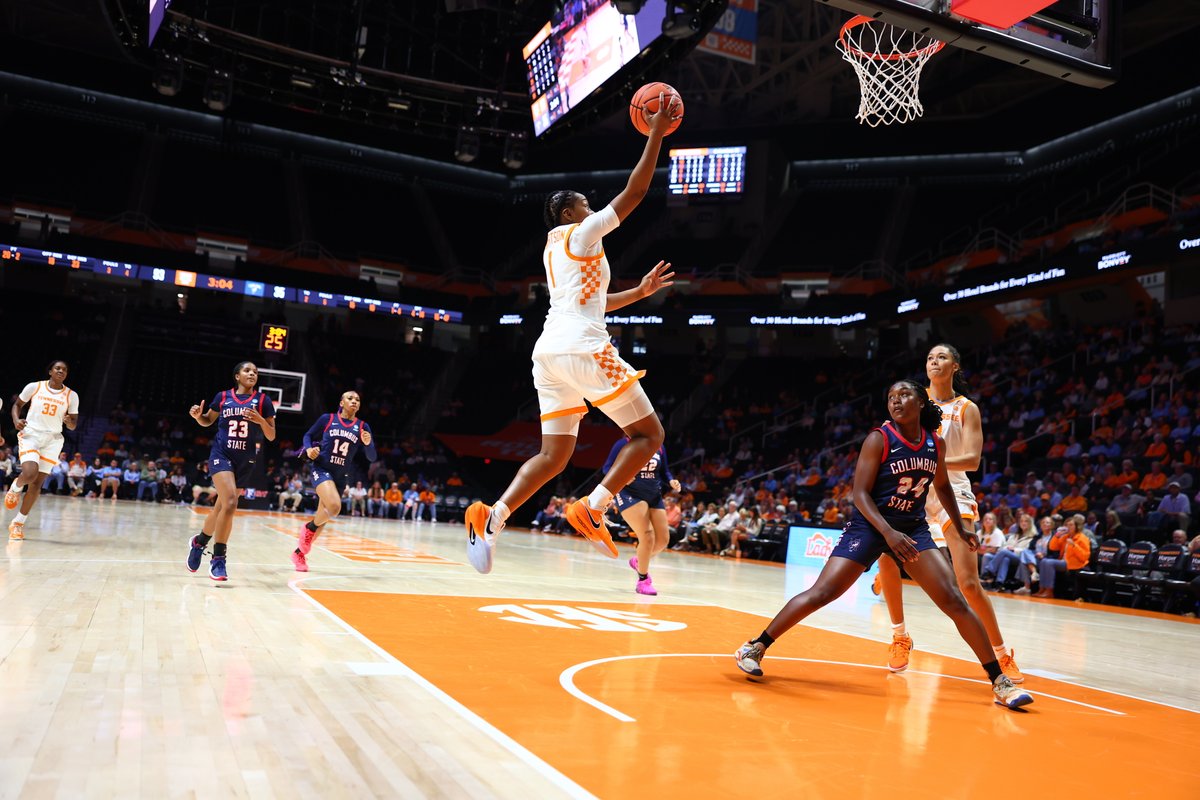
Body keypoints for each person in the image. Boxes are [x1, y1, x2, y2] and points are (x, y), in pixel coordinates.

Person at [464, 89, 680, 574]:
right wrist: (657, 136)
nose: (593, 208)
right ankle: (596, 505)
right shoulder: (583, 234)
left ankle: (493, 517)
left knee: (553, 455)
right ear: (569, 214)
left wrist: (638, 294)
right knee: (649, 434)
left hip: (549, 352)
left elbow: (590, 302)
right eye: (587, 205)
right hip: (583, 347)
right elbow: (636, 193)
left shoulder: (554, 248)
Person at [733, 380, 1033, 709]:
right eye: (891, 397)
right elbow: (859, 494)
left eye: (904, 395)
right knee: (823, 593)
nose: (896, 401)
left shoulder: (936, 443)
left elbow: (943, 485)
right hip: (872, 525)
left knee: (954, 600)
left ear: (921, 402)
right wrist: (888, 533)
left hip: (913, 528)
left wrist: (961, 527)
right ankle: (756, 646)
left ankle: (999, 681)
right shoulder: (879, 439)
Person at [871, 344, 1023, 682]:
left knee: (968, 583)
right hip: (912, 486)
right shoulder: (911, 400)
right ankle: (900, 636)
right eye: (929, 358)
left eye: (941, 357)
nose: (933, 362)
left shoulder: (967, 408)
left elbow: (971, 460)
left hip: (952, 490)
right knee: (885, 552)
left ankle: (1002, 654)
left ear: (955, 365)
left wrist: (933, 460)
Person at [185, 361, 277, 581]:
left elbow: (271, 435)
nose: (252, 374)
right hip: (221, 455)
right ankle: (218, 559)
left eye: (255, 371)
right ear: (237, 376)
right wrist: (199, 416)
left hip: (245, 461)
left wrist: (261, 420)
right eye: (247, 370)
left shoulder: (263, 401)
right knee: (230, 503)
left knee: (220, 509)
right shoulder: (223, 397)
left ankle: (198, 543)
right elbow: (208, 420)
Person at [291, 391, 375, 572]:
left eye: (357, 400)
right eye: (350, 398)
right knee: (335, 508)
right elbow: (308, 436)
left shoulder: (362, 426)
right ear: (342, 402)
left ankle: (299, 553)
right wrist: (309, 448)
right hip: (321, 469)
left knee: (323, 518)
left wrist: (368, 444)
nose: (354, 401)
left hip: (340, 476)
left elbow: (372, 457)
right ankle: (308, 527)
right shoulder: (327, 419)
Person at [4, 361, 80, 540]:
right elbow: (17, 406)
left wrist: (69, 422)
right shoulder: (35, 387)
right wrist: (16, 421)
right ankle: (15, 487)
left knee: (37, 484)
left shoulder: (71, 395)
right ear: (51, 371)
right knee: (29, 474)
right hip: (32, 434)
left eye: (64, 370)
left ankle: (17, 524)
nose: (61, 371)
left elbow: (73, 425)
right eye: (58, 368)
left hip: (53, 439)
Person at [604, 435, 681, 595]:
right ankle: (643, 580)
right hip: (628, 492)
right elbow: (607, 468)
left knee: (663, 540)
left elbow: (664, 470)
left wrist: (671, 480)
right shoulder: (623, 443)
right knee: (647, 535)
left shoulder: (658, 444)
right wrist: (622, 477)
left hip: (653, 492)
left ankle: (639, 561)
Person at [1034, 516, 1091, 598]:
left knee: (1049, 562)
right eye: (1067, 525)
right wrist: (1057, 536)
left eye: (1071, 525)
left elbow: (1084, 557)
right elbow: (1052, 547)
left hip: (1075, 563)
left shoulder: (1082, 538)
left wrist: (1074, 545)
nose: (1069, 527)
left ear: (1077, 526)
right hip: (1063, 561)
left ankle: (1049, 591)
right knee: (1044, 561)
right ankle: (1042, 589)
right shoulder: (1066, 536)